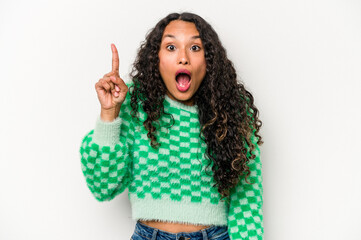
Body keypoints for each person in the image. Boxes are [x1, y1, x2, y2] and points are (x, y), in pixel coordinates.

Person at [80, 12, 264, 240]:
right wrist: (109, 113)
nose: (183, 58)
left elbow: (247, 200)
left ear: (209, 60)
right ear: (155, 58)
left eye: (195, 48)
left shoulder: (232, 111)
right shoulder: (135, 104)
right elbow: (103, 186)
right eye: (171, 47)